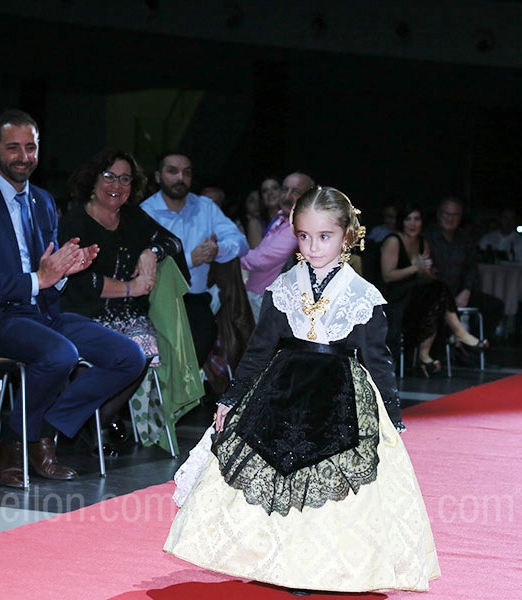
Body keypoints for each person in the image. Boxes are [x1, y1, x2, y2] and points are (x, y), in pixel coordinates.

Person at [164, 186, 440, 593]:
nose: (312, 247)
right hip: (282, 390)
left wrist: (392, 418)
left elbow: (378, 360)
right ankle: (273, 559)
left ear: (346, 235)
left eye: (324, 236)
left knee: (327, 479)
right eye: (304, 236)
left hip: (339, 397)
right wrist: (231, 397)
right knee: (278, 472)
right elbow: (259, 350)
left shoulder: (363, 296)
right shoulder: (283, 287)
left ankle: (324, 566)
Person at [0, 109, 146, 488]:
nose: (23, 157)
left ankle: (41, 432)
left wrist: (66, 270)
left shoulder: (42, 200)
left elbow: (47, 275)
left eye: (31, 148)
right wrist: (40, 278)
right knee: (60, 355)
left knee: (129, 356)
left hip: (41, 311)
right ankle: (13, 445)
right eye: (13, 148)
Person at [59, 148, 196, 454]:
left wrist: (151, 252)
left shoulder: (132, 217)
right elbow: (82, 281)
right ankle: (88, 422)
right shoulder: (75, 221)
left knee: (144, 347)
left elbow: (173, 242)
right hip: (84, 314)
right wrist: (131, 288)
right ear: (93, 179)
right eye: (109, 176)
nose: (117, 185)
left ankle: (96, 422)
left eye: (125, 179)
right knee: (99, 355)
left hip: (128, 315)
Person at [139, 152, 249, 368]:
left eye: (187, 173)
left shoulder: (205, 207)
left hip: (194, 297)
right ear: (158, 176)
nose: (180, 178)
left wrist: (217, 250)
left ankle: (186, 388)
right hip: (157, 297)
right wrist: (190, 259)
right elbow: (141, 262)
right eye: (173, 171)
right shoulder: (146, 211)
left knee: (204, 334)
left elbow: (241, 243)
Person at [381, 204, 488, 376]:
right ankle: (456, 335)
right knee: (437, 292)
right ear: (402, 221)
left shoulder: (423, 243)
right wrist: (415, 268)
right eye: (408, 219)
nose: (413, 224)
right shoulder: (393, 240)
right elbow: (387, 276)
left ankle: (427, 354)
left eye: (417, 219)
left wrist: (426, 271)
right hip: (395, 299)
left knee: (436, 294)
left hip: (415, 298)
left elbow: (424, 277)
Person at [424, 195, 505, 342]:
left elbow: (472, 267)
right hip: (436, 293)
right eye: (446, 214)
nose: (450, 218)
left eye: (455, 215)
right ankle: (443, 346)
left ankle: (473, 347)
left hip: (460, 291)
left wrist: (467, 290)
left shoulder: (464, 239)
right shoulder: (427, 237)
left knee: (495, 306)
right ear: (439, 214)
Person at [240, 171, 315, 320]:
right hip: (259, 297)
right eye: (284, 190)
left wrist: (229, 252)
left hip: (269, 303)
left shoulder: (299, 228)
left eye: (295, 192)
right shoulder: (282, 220)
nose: (287, 196)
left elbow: (259, 260)